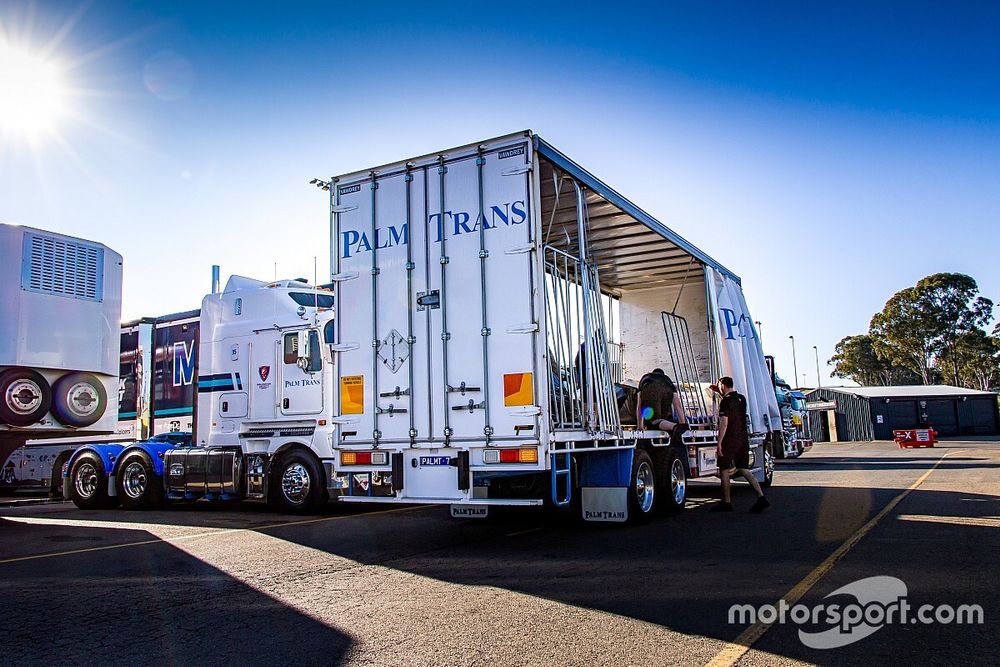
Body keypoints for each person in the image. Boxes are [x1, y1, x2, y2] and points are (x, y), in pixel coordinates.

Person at [709, 376, 770, 513]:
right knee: (743, 469)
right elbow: (733, 406)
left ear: (723, 385)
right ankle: (761, 497)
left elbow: (724, 423)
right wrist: (719, 392)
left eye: (720, 386)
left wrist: (719, 442)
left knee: (724, 470)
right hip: (743, 438)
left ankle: (727, 502)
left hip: (730, 439)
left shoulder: (724, 402)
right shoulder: (741, 399)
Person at [637, 368, 688, 436]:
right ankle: (676, 427)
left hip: (649, 388)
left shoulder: (645, 377)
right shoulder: (667, 379)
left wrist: (640, 426)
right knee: (664, 417)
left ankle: (674, 426)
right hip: (667, 389)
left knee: (654, 421)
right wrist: (683, 424)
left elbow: (639, 405)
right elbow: (678, 406)